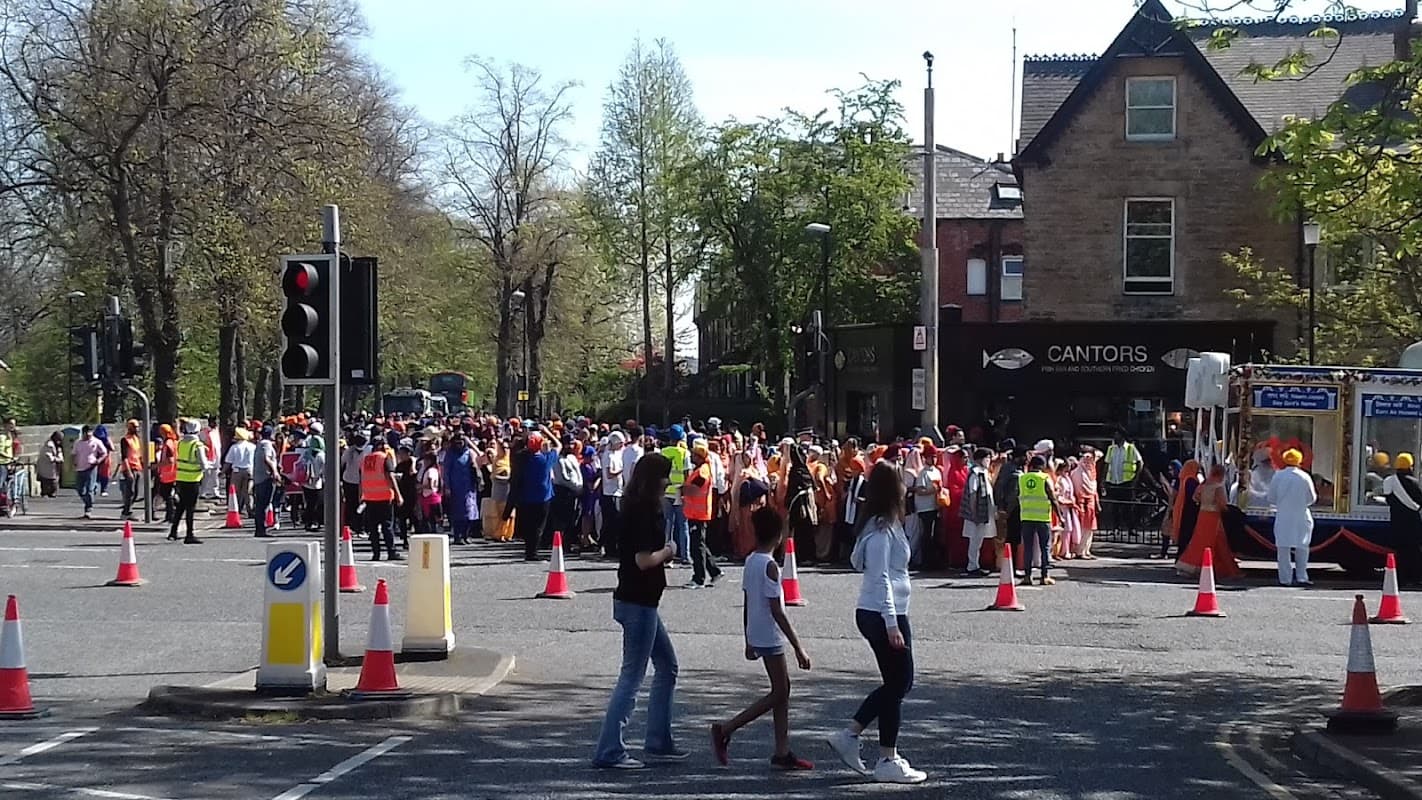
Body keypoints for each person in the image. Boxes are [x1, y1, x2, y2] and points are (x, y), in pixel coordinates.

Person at [825, 461, 926, 784]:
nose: (906, 486)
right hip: (882, 613)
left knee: (898, 684)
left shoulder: (885, 524)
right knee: (899, 683)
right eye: (901, 481)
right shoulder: (882, 530)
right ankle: (883, 756)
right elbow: (880, 577)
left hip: (885, 612)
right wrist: (891, 623)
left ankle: (860, 740)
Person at [592, 452, 685, 770]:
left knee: (667, 667)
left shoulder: (632, 506)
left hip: (637, 599)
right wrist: (669, 551)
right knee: (632, 677)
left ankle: (659, 740)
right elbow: (643, 560)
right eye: (665, 476)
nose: (668, 482)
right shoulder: (645, 512)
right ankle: (610, 750)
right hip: (639, 602)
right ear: (654, 480)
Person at [710, 506, 814, 770]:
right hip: (770, 634)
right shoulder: (770, 566)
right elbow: (777, 611)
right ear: (778, 536)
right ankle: (727, 728)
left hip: (757, 631)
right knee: (780, 691)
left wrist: (748, 636)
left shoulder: (751, 560)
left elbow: (747, 600)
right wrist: (798, 647)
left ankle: (782, 750)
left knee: (782, 690)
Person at [1176, 464, 1241, 578]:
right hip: (1213, 516)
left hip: (1202, 514)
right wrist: (1228, 510)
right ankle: (1222, 568)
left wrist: (1203, 502)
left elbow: (1195, 497)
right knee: (1213, 542)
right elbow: (1222, 504)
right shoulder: (1218, 487)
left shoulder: (1204, 485)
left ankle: (1188, 565)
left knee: (1198, 540)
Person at [1268, 448, 1316, 586]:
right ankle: (1302, 577)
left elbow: (1271, 498)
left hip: (1283, 516)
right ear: (1299, 461)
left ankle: (1285, 579)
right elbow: (1312, 498)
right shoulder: (1304, 476)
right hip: (1301, 515)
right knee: (1302, 547)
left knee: (1283, 549)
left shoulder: (1278, 476)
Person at [509, 430, 559, 562]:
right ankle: (533, 553)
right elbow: (558, 445)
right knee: (538, 527)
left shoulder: (522, 459)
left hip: (525, 497)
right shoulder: (545, 459)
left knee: (528, 526)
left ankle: (529, 551)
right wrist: (547, 431)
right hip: (542, 498)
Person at [681, 441, 722, 589]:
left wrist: (683, 490)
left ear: (699, 457)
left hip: (698, 513)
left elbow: (696, 487)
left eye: (694, 455)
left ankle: (699, 578)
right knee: (700, 544)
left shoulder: (702, 471)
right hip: (696, 512)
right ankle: (714, 571)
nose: (691, 456)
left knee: (696, 547)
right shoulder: (700, 468)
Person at [1014, 455, 1059, 586]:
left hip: (1026, 517)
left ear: (1031, 465)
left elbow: (1017, 496)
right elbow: (1052, 498)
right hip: (1042, 518)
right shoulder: (1044, 478)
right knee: (1045, 547)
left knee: (1028, 548)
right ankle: (1044, 576)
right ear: (1043, 466)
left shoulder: (1022, 478)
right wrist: (1060, 516)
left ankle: (1027, 576)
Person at [361, 436, 403, 561]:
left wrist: (361, 495)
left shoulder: (365, 459)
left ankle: (376, 553)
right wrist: (398, 495)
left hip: (369, 497)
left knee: (373, 528)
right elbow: (390, 476)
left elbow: (361, 478)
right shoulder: (384, 458)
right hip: (384, 497)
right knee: (387, 526)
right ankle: (391, 552)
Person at [169, 419, 210, 543]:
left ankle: (173, 531)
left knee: (181, 506)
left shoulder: (181, 443)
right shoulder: (197, 445)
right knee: (190, 508)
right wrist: (210, 465)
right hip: (193, 479)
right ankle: (189, 535)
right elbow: (204, 464)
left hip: (180, 478)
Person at [1385, 452, 1422, 585]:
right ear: (1410, 466)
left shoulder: (1389, 481)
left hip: (1397, 522)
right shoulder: (1414, 482)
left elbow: (1388, 499)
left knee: (1400, 551)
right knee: (1414, 551)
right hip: (1413, 522)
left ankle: (1401, 578)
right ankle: (1416, 577)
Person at [961, 447, 996, 575]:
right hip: (977, 513)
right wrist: (974, 514)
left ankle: (975, 564)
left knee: (979, 539)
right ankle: (972, 566)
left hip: (985, 512)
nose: (989, 461)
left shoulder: (984, 473)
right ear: (981, 459)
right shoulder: (975, 474)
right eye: (988, 458)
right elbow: (973, 494)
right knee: (975, 540)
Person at [442, 431, 479, 544]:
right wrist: (447, 487)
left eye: (462, 442)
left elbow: (478, 459)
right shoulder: (450, 454)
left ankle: (466, 535)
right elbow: (446, 472)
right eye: (457, 442)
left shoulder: (469, 452)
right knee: (458, 513)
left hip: (469, 487)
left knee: (470, 512)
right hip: (456, 487)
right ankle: (457, 536)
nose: (460, 444)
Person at [1164, 460, 1201, 561]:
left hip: (1182, 509)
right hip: (1189, 511)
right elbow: (1192, 496)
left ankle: (1180, 558)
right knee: (1187, 535)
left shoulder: (1183, 478)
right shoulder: (1191, 480)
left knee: (1183, 535)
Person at [71, 425, 108, 519]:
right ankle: (91, 496)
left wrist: (98, 461)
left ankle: (88, 509)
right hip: (80, 468)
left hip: (91, 467)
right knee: (79, 489)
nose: (88, 435)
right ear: (83, 433)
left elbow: (104, 453)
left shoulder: (96, 442)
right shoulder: (78, 443)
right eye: (87, 433)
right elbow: (74, 454)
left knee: (89, 489)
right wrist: (74, 462)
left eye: (90, 433)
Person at [600, 432, 626, 558]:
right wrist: (622, 471)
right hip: (609, 492)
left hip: (618, 491)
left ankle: (614, 546)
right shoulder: (608, 456)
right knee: (610, 521)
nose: (622, 446)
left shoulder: (618, 454)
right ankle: (609, 548)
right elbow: (609, 474)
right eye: (620, 443)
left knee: (616, 521)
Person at [251, 426, 280, 539]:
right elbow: (267, 458)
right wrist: (275, 472)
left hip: (259, 477)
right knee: (263, 504)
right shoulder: (266, 444)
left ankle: (260, 528)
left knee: (261, 504)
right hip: (265, 477)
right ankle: (261, 529)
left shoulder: (259, 444)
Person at [1072, 449, 1101, 559]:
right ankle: (1080, 551)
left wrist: (1097, 503)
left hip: (1091, 503)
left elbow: (1094, 489)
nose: (1089, 463)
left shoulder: (1091, 474)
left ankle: (1086, 550)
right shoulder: (1078, 473)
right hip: (1082, 503)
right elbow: (1078, 489)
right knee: (1082, 527)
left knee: (1090, 528)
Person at [224, 427, 256, 514]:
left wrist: (223, 472)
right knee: (248, 492)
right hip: (249, 470)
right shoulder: (253, 447)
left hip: (236, 471)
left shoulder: (234, 447)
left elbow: (228, 462)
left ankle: (236, 509)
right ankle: (250, 510)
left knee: (236, 492)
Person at [118, 420, 145, 519]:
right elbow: (124, 457)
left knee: (135, 492)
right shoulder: (125, 440)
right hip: (129, 468)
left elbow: (139, 454)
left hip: (137, 467)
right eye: (134, 427)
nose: (136, 429)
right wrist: (128, 471)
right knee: (130, 491)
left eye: (137, 427)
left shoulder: (137, 439)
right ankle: (126, 512)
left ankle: (127, 509)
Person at [37, 431, 63, 498]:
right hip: (47, 466)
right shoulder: (49, 445)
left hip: (52, 468)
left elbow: (59, 454)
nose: (59, 441)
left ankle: (52, 493)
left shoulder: (57, 445)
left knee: (53, 480)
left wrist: (59, 456)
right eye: (59, 438)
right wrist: (58, 459)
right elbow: (49, 457)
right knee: (48, 481)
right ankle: (46, 493)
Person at [93, 424, 113, 497]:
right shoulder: (94, 439)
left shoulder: (106, 439)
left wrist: (108, 441)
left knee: (104, 475)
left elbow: (112, 448)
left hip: (105, 459)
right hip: (96, 459)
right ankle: (94, 488)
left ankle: (103, 489)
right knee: (96, 474)